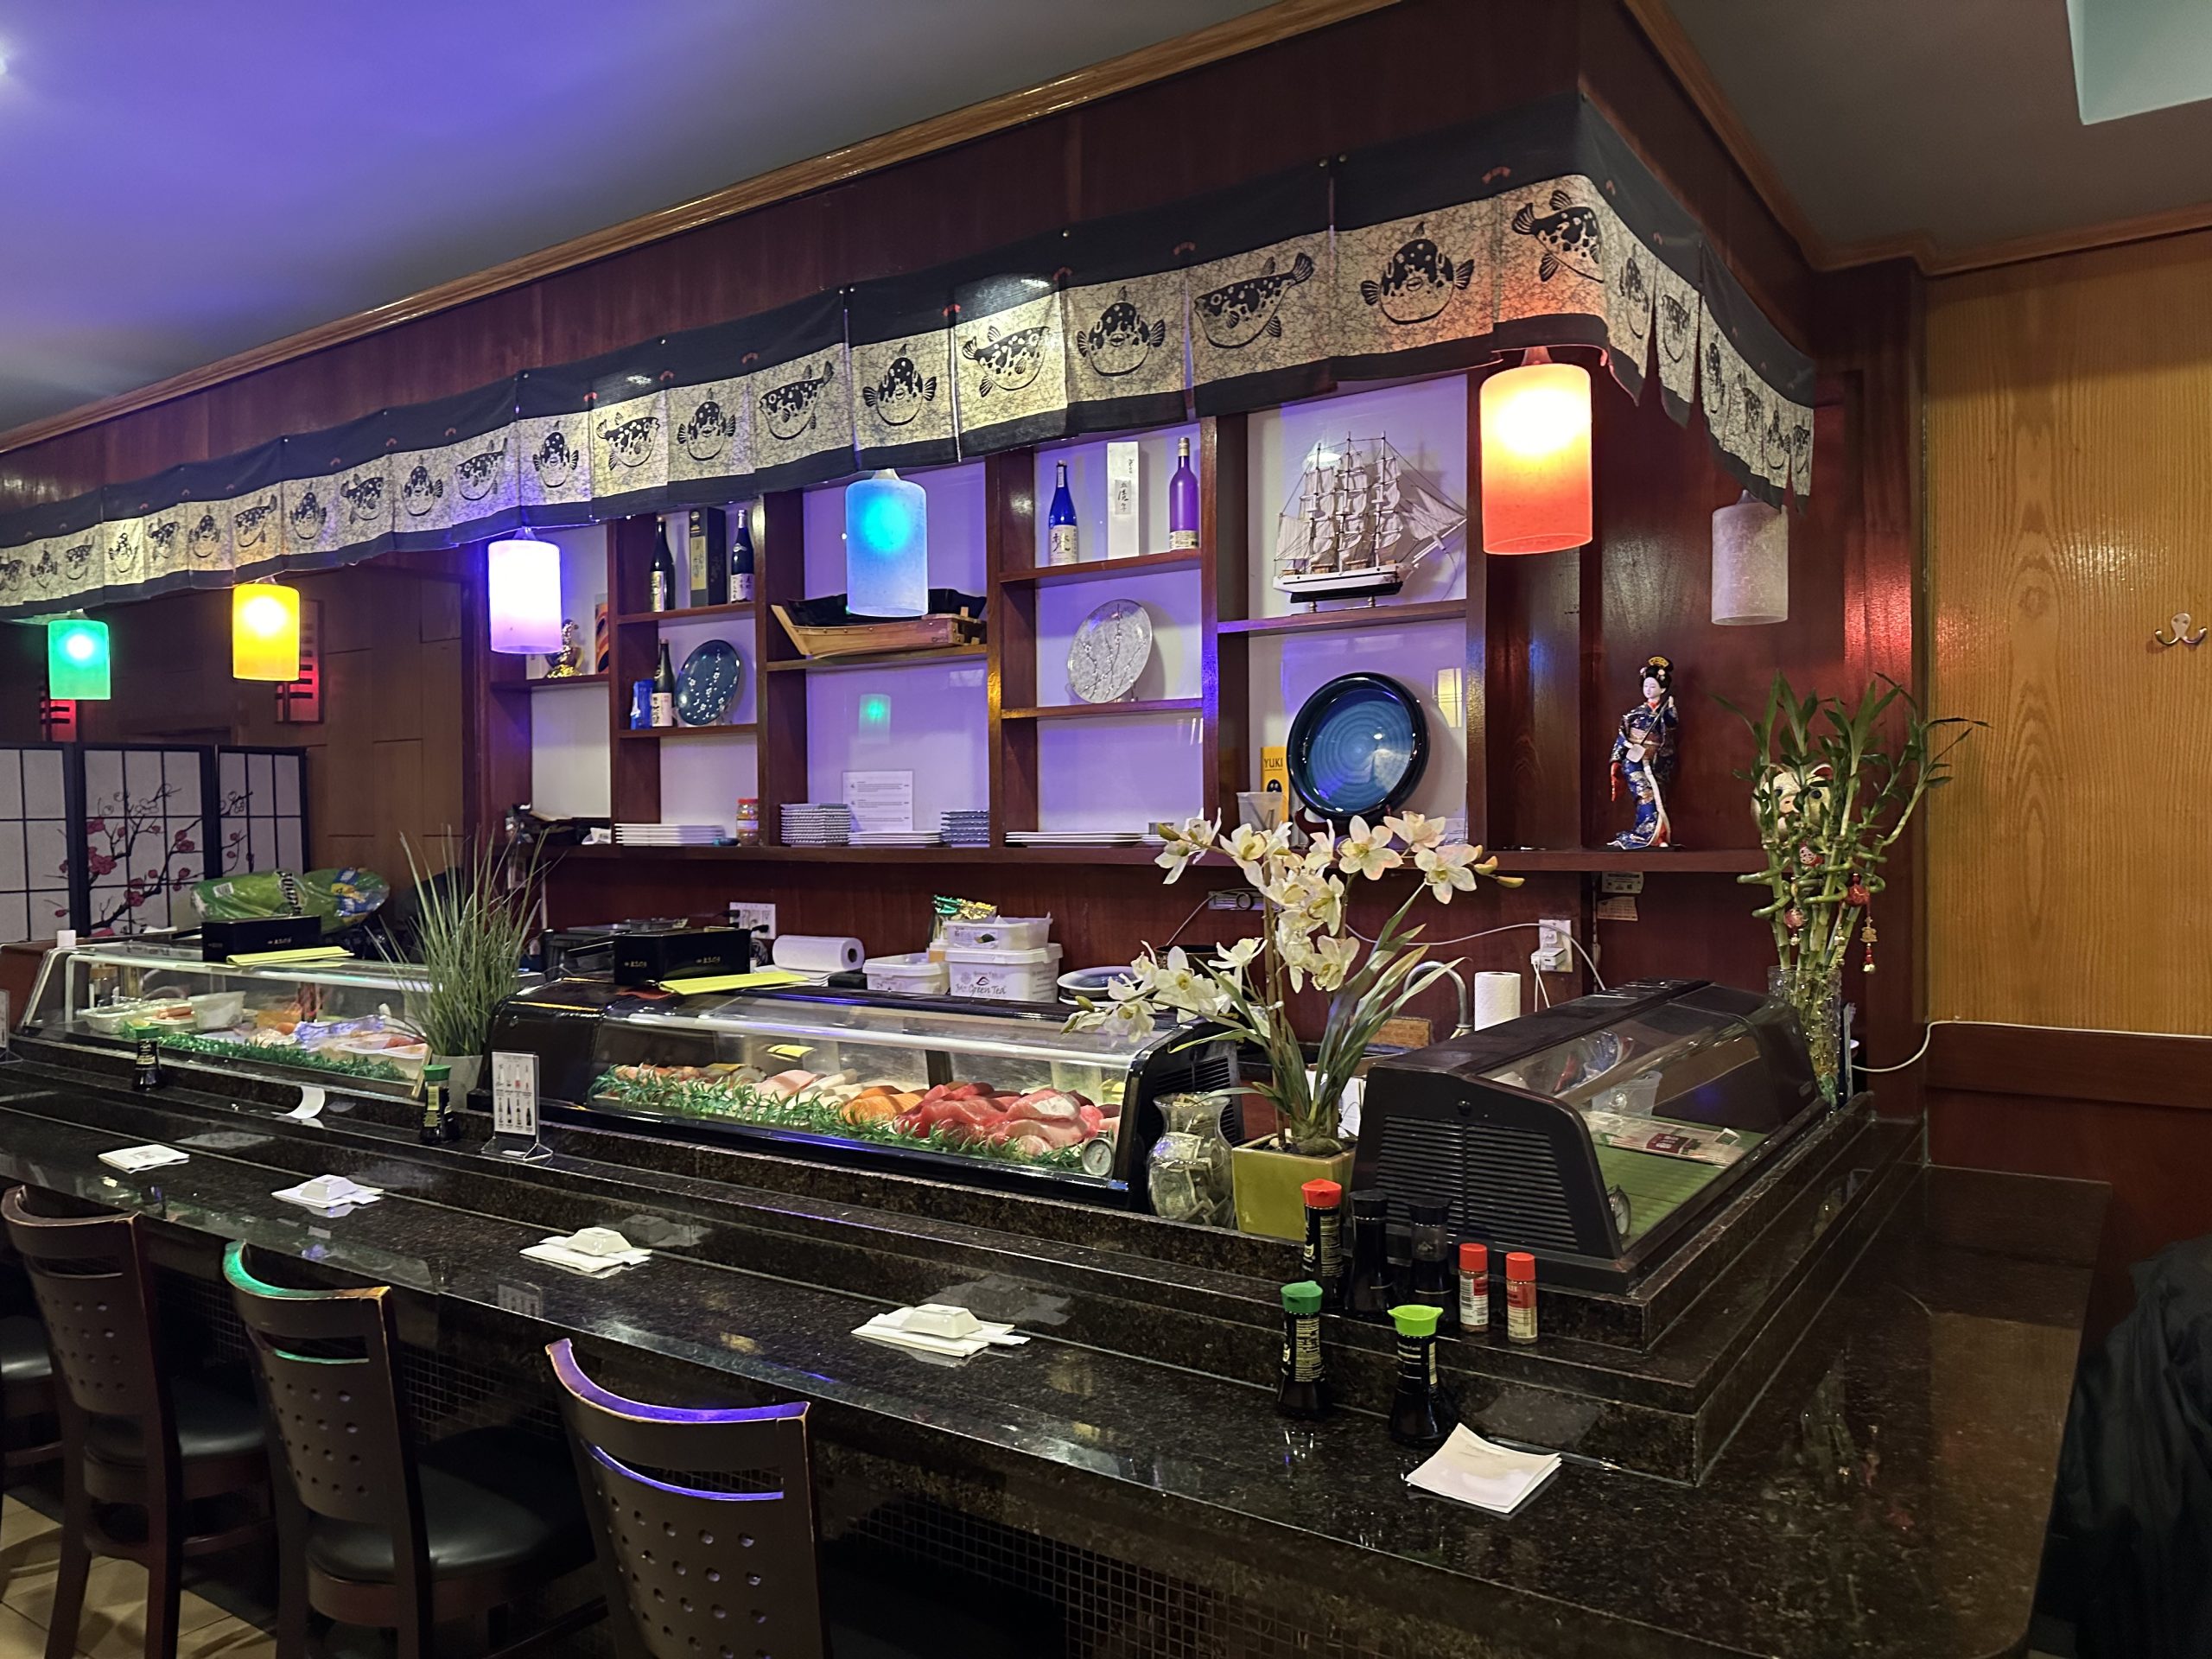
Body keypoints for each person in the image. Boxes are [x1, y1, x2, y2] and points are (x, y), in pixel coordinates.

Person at [1608, 656, 1678, 850]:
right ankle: (1645, 836)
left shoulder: (1666, 711)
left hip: (1656, 760)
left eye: (1653, 686)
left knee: (1659, 798)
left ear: (1662, 689)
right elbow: (1621, 738)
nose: (1648, 689)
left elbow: (1671, 727)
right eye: (1646, 686)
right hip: (1634, 760)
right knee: (1645, 796)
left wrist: (1670, 711)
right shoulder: (1632, 715)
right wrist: (1618, 760)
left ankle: (1659, 837)